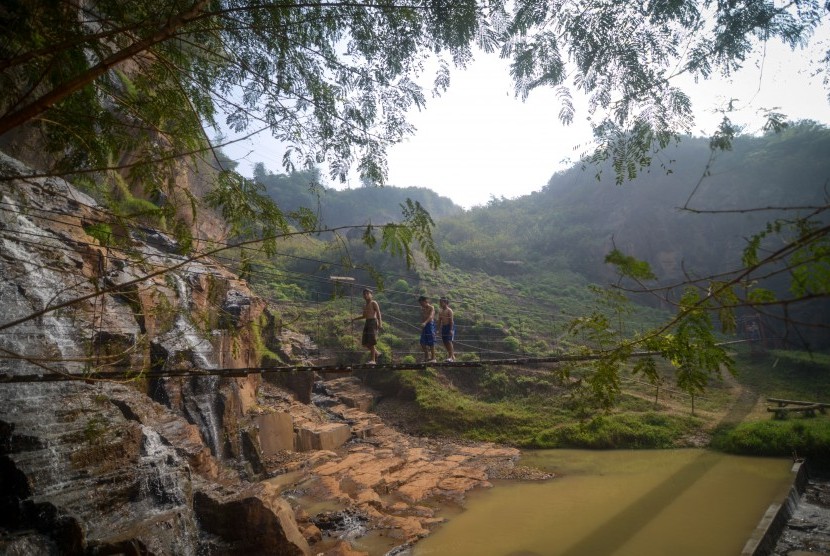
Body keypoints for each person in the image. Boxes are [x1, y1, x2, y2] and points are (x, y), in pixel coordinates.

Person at [352, 288, 382, 364]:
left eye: (367, 294)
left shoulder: (373, 303)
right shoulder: (365, 306)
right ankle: (377, 353)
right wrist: (355, 319)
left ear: (371, 295)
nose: (366, 295)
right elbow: (364, 316)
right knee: (365, 343)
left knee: (371, 342)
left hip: (373, 322)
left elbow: (378, 313)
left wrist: (380, 323)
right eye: (364, 294)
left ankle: (373, 360)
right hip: (367, 322)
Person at [418, 295, 436, 363]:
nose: (421, 305)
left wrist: (425, 323)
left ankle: (433, 358)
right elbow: (422, 317)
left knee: (431, 342)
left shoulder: (431, 307)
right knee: (422, 342)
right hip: (424, 326)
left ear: (426, 301)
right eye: (420, 304)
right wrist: (422, 324)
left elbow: (431, 316)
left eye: (422, 303)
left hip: (430, 325)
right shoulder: (422, 309)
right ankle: (427, 357)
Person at [438, 296, 455, 362]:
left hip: (449, 326)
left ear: (445, 302)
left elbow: (451, 321)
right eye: (440, 302)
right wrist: (438, 329)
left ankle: (450, 357)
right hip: (444, 327)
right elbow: (439, 321)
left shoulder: (449, 310)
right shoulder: (440, 311)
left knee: (449, 341)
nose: (440, 303)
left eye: (441, 302)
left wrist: (451, 329)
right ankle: (452, 356)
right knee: (444, 342)